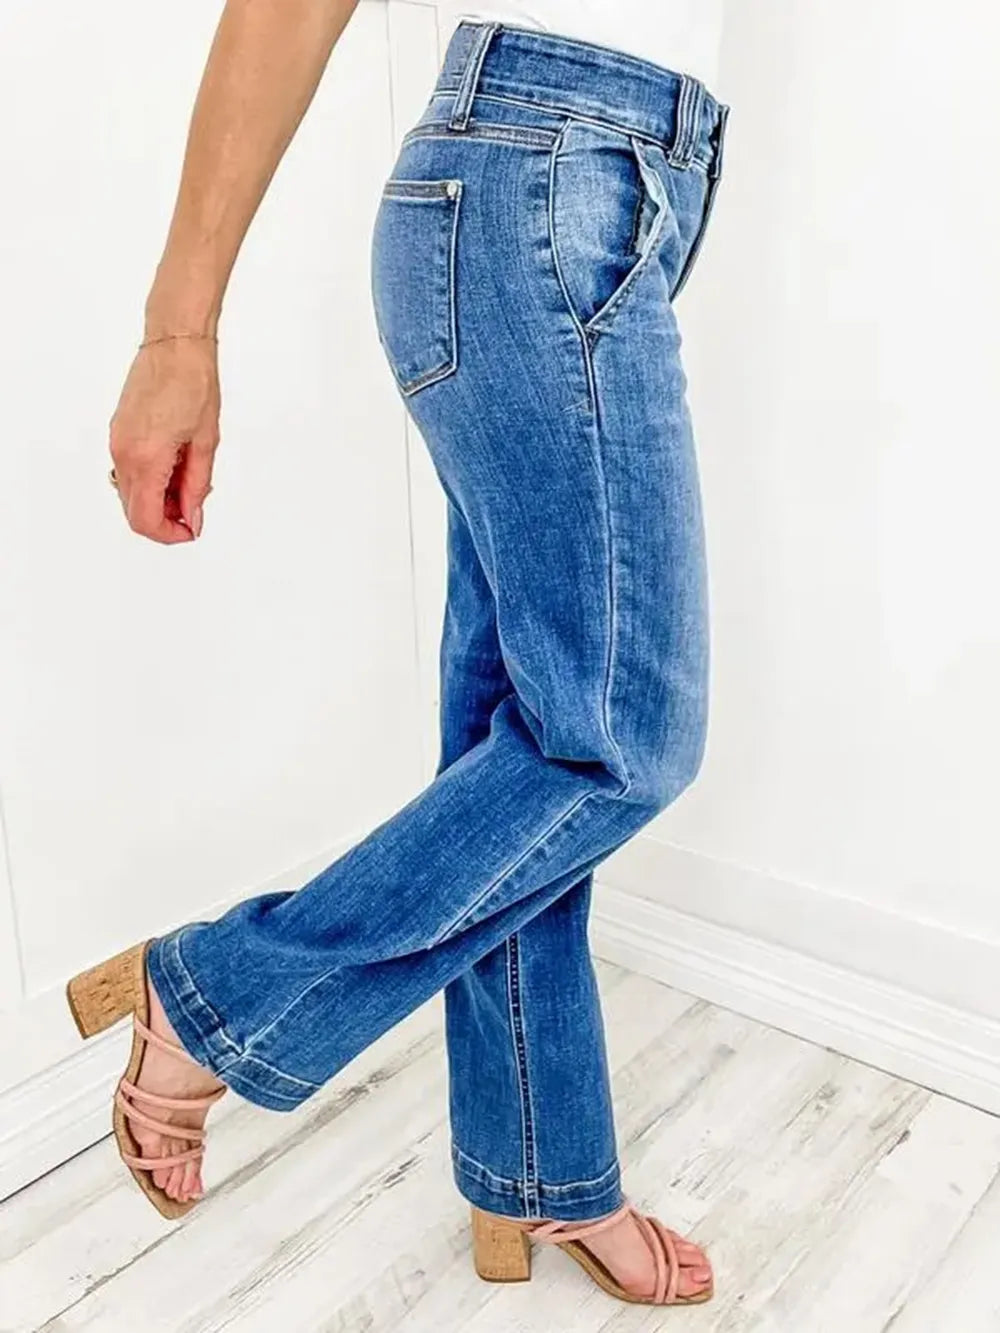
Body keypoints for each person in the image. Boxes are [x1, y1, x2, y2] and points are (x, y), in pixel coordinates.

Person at [68, 0, 729, 1309]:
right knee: (619, 742)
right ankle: (212, 997)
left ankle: (538, 1163)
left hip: (608, 185)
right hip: (545, 174)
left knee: (524, 742)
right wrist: (177, 333)